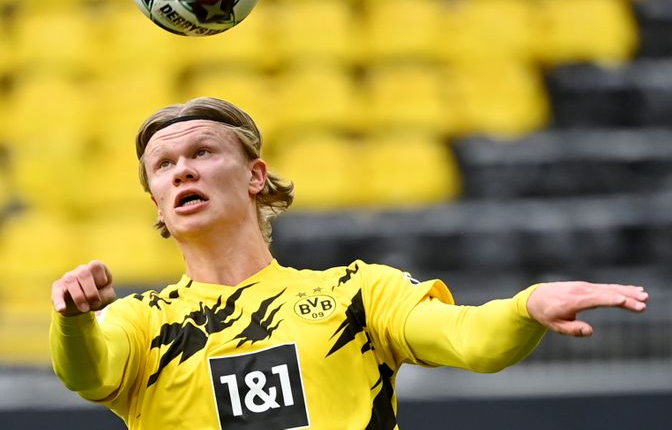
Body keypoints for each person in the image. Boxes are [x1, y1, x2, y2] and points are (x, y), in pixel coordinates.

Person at [50, 97, 649, 430]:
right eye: (164, 165)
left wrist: (526, 308)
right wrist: (74, 320)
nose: (182, 169)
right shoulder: (141, 322)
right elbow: (88, 374)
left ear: (256, 176)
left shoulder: (358, 294)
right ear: (156, 199)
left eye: (203, 152)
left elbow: (470, 342)